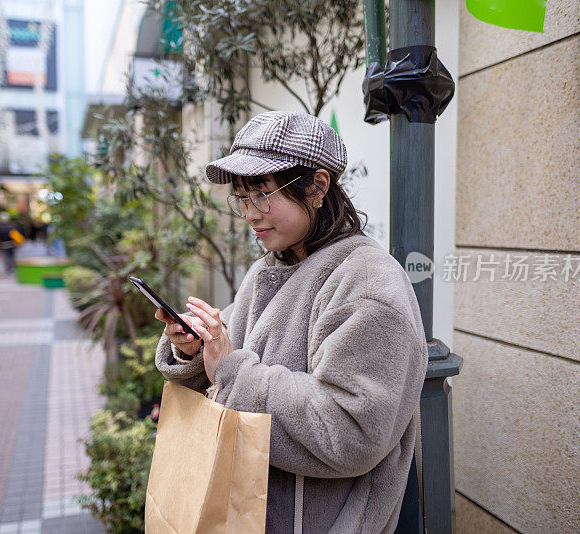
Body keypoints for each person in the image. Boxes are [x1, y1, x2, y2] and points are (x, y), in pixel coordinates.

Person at [154, 111, 429, 534]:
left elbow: (351, 431)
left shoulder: (369, 282)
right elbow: (227, 362)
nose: (249, 213)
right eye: (242, 198)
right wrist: (196, 347)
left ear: (318, 187)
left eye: (262, 194)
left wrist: (233, 372)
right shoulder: (271, 268)